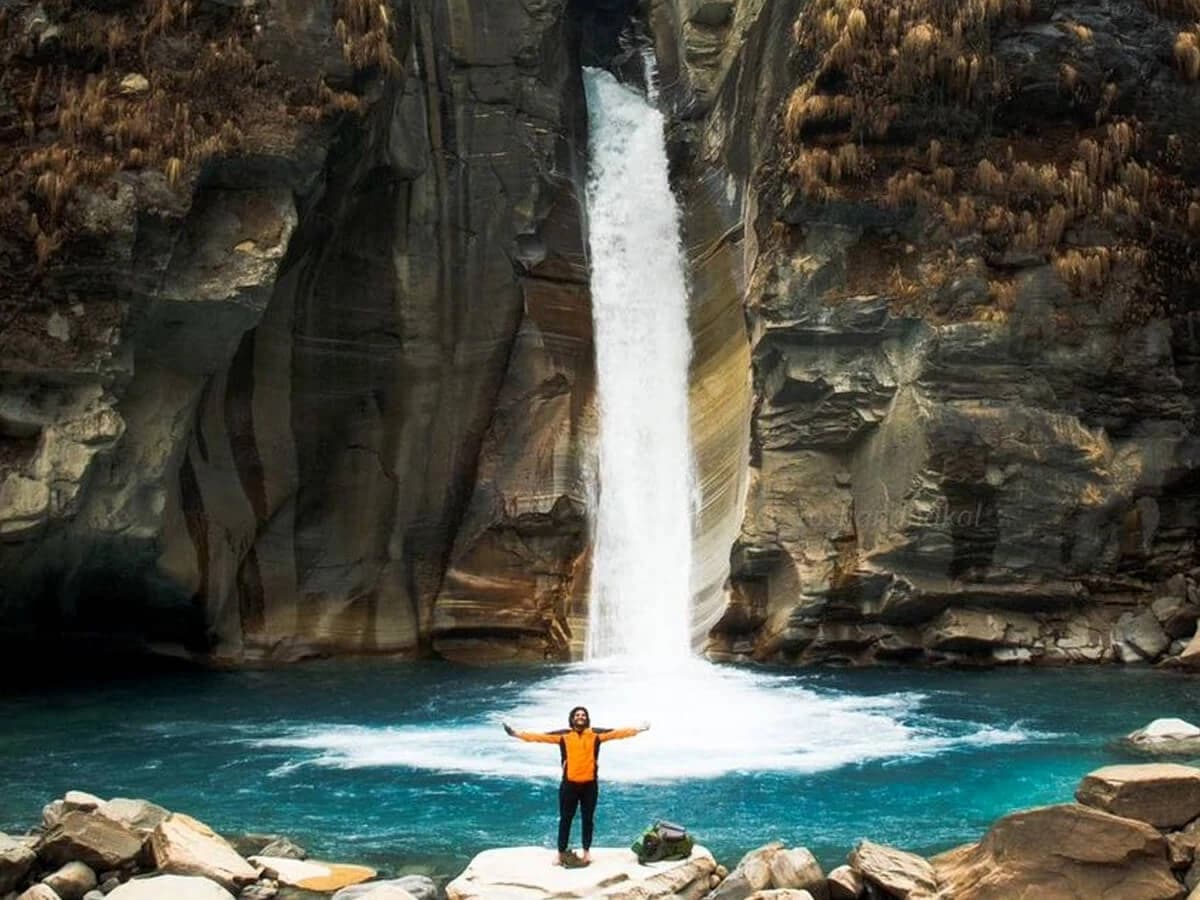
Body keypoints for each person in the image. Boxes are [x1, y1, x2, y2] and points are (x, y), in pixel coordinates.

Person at [503, 706, 649, 867]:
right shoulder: (563, 736)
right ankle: (559, 854)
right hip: (569, 786)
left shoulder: (596, 734)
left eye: (583, 715)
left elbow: (617, 733)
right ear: (572, 719)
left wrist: (638, 729)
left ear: (587, 719)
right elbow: (539, 737)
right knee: (565, 820)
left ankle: (587, 853)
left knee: (588, 820)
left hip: (590, 786)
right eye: (577, 715)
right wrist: (515, 734)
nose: (581, 717)